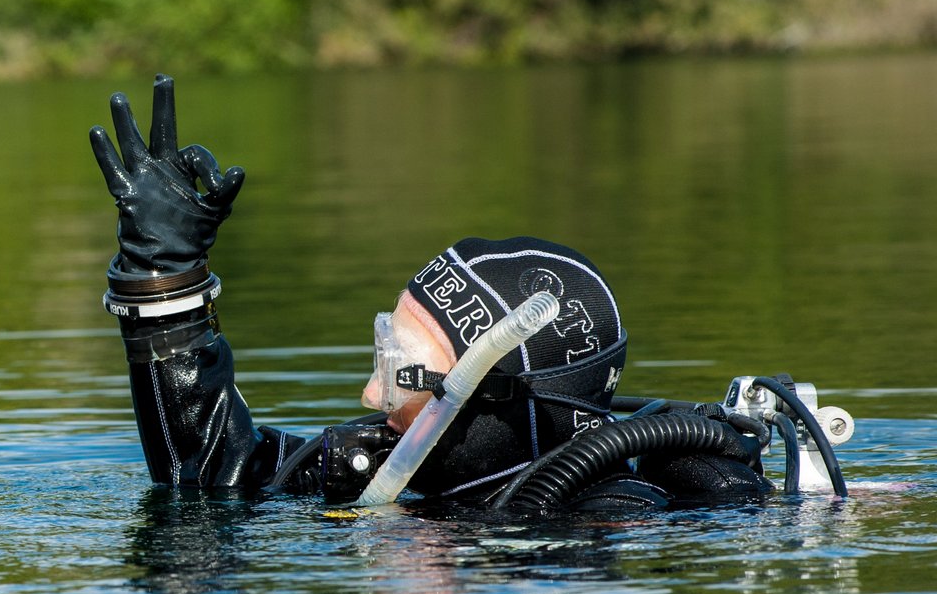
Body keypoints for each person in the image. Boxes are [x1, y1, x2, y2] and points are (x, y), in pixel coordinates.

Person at [90, 75, 779, 512]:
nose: (369, 396)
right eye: (382, 354)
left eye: (398, 374)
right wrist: (164, 280)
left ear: (488, 391)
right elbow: (211, 471)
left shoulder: (607, 515)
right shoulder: (385, 467)